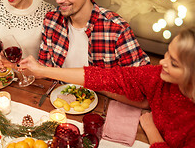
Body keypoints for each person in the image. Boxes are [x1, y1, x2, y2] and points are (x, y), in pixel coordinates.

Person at [19, 26, 195, 148]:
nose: (162, 62)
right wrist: (43, 70)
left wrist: (152, 131)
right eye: (167, 53)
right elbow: (102, 77)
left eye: (174, 63)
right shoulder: (158, 76)